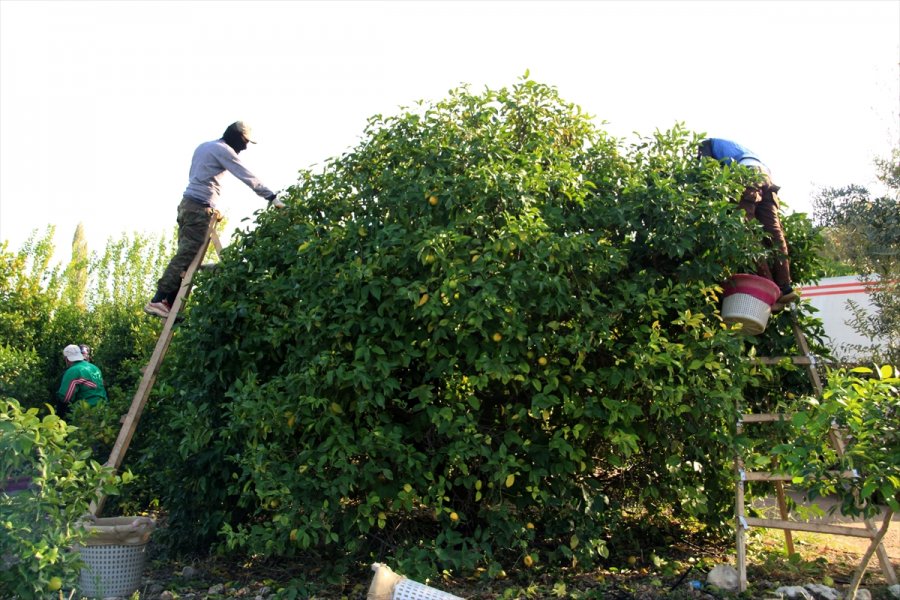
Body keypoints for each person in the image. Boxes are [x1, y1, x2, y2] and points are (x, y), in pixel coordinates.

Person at [144, 121, 286, 319]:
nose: (245, 147)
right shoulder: (224, 150)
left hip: (187, 205)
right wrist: (271, 197)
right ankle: (158, 299)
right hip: (198, 208)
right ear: (236, 137)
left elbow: (202, 178)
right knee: (186, 255)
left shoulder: (205, 146)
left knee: (188, 258)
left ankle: (169, 303)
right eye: (245, 142)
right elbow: (245, 175)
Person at [698, 138, 799, 306]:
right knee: (773, 232)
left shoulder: (706, 144)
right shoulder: (733, 148)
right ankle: (785, 286)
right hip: (766, 175)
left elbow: (707, 174)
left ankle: (769, 289)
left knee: (746, 229)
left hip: (748, 173)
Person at [57, 344, 107, 412]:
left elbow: (66, 397)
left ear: (67, 359)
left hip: (87, 410)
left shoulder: (73, 371)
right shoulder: (94, 367)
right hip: (103, 407)